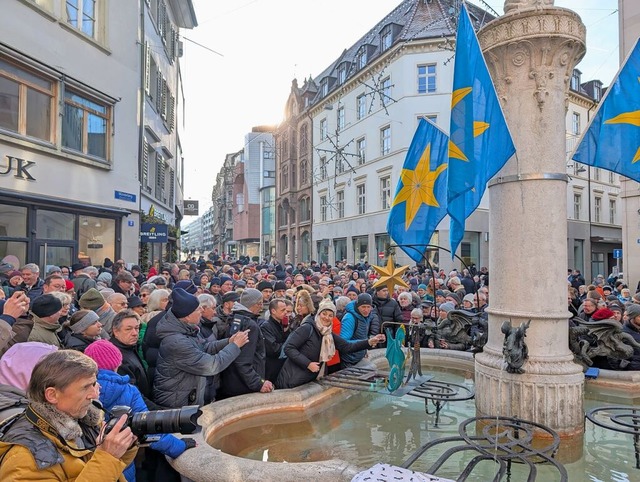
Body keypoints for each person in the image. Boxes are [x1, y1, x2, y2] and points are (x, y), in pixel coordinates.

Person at [0, 350, 138, 481]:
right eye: (85, 387)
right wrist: (107, 457)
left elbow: (102, 471)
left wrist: (122, 447)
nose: (94, 394)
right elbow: (102, 466)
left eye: (94, 384)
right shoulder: (24, 458)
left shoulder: (82, 419)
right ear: (52, 395)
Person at [85, 340, 196, 481]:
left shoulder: (79, 391)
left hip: (89, 466)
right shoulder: (128, 390)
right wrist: (179, 446)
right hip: (122, 463)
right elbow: (148, 426)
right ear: (117, 363)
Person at [154, 288, 249, 407]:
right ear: (187, 315)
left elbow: (205, 347)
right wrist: (235, 346)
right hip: (176, 405)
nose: (201, 311)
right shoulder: (176, 342)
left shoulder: (188, 329)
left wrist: (229, 341)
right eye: (198, 309)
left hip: (185, 400)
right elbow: (211, 365)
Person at [276, 299, 385, 389]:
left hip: (308, 379)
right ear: (319, 314)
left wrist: (369, 342)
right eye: (324, 314)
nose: (326, 318)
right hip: (291, 379)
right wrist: (308, 364)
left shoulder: (328, 333)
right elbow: (289, 348)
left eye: (330, 315)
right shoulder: (307, 328)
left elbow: (347, 347)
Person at [219, 288, 272, 398]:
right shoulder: (249, 325)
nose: (261, 307)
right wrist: (258, 383)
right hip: (242, 386)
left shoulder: (235, 318)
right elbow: (243, 360)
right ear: (253, 304)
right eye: (260, 304)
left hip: (231, 382)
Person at [109, 310, 158, 409]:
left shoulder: (130, 347)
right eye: (128, 329)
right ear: (116, 331)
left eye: (137, 328)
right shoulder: (116, 357)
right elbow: (133, 394)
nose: (135, 333)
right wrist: (158, 411)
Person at [339, 293, 379, 367]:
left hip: (358, 357)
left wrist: (364, 349)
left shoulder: (365, 316)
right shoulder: (349, 318)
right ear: (357, 306)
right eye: (363, 307)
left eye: (368, 307)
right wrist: (366, 343)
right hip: (349, 360)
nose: (366, 310)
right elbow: (343, 343)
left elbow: (361, 336)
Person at [260, 298, 291, 383]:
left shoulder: (283, 324)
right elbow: (274, 349)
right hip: (271, 370)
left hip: (282, 367)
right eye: (283, 310)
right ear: (273, 311)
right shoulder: (266, 326)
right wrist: (290, 346)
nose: (286, 312)